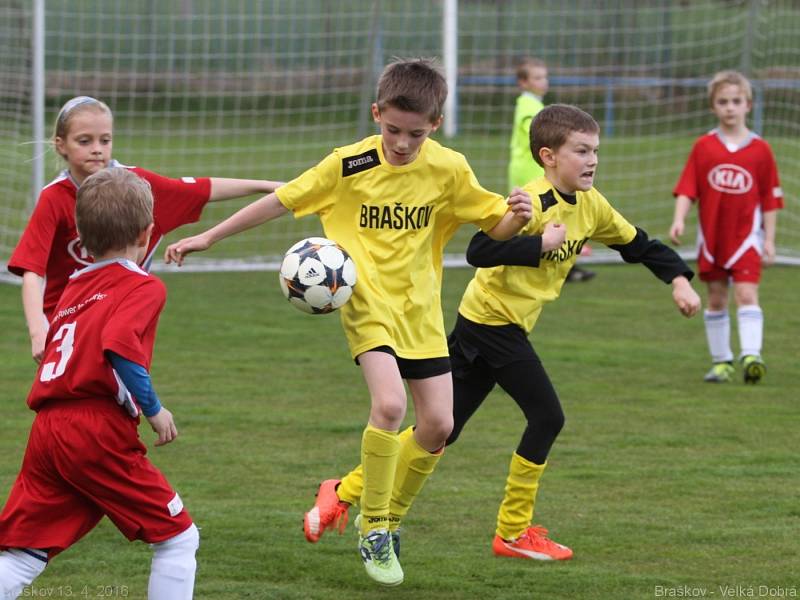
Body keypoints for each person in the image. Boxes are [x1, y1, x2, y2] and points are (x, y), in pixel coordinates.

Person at [163, 58, 532, 586]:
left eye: (416, 134)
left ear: (436, 124)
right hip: (364, 304)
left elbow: (492, 223)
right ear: (376, 113)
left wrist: (516, 216)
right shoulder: (348, 164)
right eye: (393, 130)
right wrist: (208, 236)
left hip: (421, 309)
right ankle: (376, 528)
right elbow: (280, 200)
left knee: (439, 428)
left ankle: (355, 501)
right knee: (388, 404)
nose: (403, 143)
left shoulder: (449, 168)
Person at [304, 104, 701, 562]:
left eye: (595, 151)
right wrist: (538, 244)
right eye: (581, 151)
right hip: (491, 324)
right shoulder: (532, 202)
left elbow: (639, 245)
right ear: (549, 156)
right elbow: (480, 248)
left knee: (439, 431)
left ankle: (344, 489)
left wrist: (678, 279)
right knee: (547, 416)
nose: (592, 160)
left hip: (490, 326)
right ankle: (513, 530)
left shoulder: (592, 206)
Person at [0, 168, 199, 600]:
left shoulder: (71, 286)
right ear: (148, 234)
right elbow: (119, 347)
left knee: (23, 552)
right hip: (95, 429)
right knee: (179, 538)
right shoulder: (143, 286)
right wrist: (155, 409)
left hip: (48, 430)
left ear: (83, 242)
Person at [7, 95, 282, 364]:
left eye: (105, 140)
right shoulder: (54, 198)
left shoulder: (135, 186)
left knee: (117, 398)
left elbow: (203, 189)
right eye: (84, 141)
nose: (97, 148)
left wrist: (269, 186)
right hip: (67, 325)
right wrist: (37, 330)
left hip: (121, 317)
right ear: (60, 145)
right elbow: (33, 270)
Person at [670, 70, 783, 384]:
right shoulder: (704, 147)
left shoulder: (761, 150)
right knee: (717, 298)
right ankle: (722, 363)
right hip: (713, 239)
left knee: (747, 294)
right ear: (712, 107)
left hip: (747, 239)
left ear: (748, 105)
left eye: (736, 101)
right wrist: (679, 219)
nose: (730, 107)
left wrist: (769, 240)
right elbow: (687, 189)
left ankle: (752, 355)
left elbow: (771, 199)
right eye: (723, 102)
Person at [508, 57, 595, 283]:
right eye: (537, 77)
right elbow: (537, 135)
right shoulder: (528, 107)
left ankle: (563, 263)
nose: (543, 82)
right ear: (523, 82)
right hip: (532, 169)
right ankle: (554, 261)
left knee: (550, 215)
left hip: (536, 166)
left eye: (544, 77)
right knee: (541, 216)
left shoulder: (534, 105)